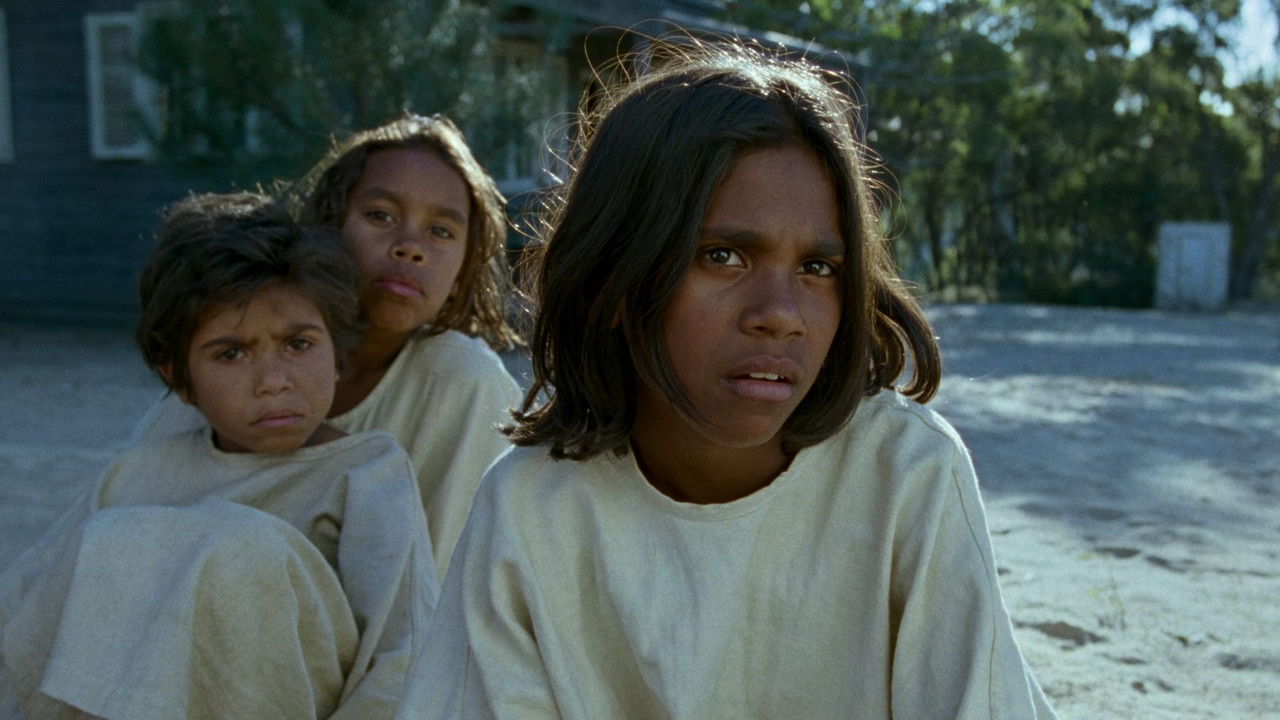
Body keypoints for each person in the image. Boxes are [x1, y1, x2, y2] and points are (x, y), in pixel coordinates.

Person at [405, 43, 1059, 719]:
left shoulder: (907, 473)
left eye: (818, 268)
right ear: (615, 279)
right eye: (722, 256)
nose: (780, 316)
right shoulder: (531, 509)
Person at [0, 193, 437, 719]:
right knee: (110, 543)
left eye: (299, 344)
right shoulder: (141, 475)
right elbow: (34, 604)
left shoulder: (366, 472)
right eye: (231, 354)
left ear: (337, 352)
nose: (274, 382)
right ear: (179, 381)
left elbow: (402, 654)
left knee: (235, 545)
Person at [134, 114, 523, 580]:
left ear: (463, 272)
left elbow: (437, 592)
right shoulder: (233, 353)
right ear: (328, 226)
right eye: (380, 216)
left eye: (441, 231)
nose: (409, 247)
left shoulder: (463, 384)